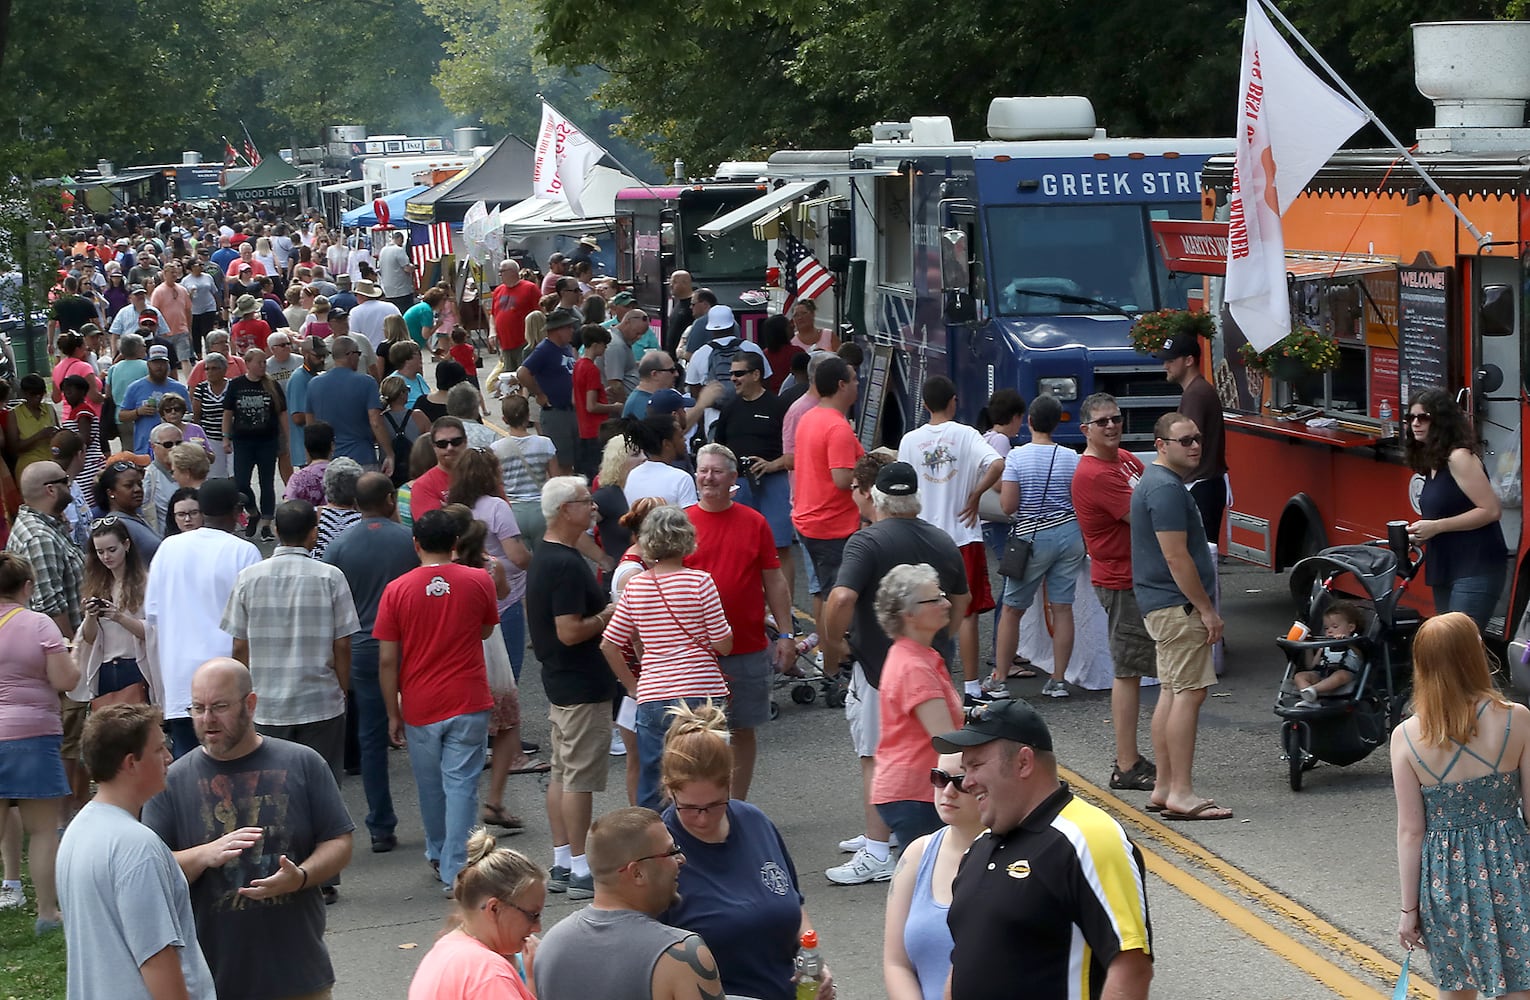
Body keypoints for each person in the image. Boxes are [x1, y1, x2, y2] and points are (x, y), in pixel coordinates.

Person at [143, 659, 355, 991]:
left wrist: (300, 877)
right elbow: (153, 871)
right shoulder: (170, 783)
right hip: (214, 980)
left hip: (299, 976)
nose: (207, 720)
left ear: (251, 704)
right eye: (198, 708)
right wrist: (204, 855)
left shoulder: (303, 763)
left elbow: (339, 841)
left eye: (220, 707)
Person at [933, 699, 1153, 1000]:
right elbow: (962, 962)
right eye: (964, 769)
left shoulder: (1088, 836)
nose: (967, 782)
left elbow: (1130, 966)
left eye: (976, 766)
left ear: (1023, 762)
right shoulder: (979, 849)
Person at [819, 460, 968, 886]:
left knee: (878, 755)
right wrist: (944, 633)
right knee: (918, 749)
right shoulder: (941, 539)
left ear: (875, 497)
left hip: (877, 667)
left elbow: (842, 595)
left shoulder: (865, 541)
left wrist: (834, 642)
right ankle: (885, 836)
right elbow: (962, 596)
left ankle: (877, 847)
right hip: (926, 662)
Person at [1392, 612, 1530, 997]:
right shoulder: (1516, 720)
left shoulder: (1406, 737)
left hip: (1444, 877)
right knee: (1520, 981)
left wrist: (1409, 911)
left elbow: (1410, 831)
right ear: (1476, 654)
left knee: (1456, 986)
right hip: (1512, 868)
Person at [656, 703, 831, 1000]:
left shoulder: (755, 822)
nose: (702, 817)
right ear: (669, 790)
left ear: (729, 784)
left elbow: (794, 905)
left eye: (714, 804)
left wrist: (812, 960)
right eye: (688, 807)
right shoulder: (657, 851)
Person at [376, 509, 500, 892]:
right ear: (456, 544)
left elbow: (387, 658)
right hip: (467, 695)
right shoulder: (480, 580)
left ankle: (438, 851)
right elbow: (484, 630)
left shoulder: (397, 589)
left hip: (420, 701)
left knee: (430, 785)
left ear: (416, 544)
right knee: (462, 783)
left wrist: (392, 712)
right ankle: (456, 865)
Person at [56, 705, 217, 999]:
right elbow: (156, 958)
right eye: (159, 750)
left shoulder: (76, 833)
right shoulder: (138, 847)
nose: (169, 757)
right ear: (131, 763)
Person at [601, 505, 733, 811]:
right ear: (686, 538)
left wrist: (633, 686)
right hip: (702, 693)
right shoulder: (701, 582)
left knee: (655, 778)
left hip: (654, 693)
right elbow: (722, 644)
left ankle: (657, 845)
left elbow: (609, 644)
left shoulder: (636, 586)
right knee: (707, 773)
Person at [1132, 412, 1230, 821]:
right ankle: (1181, 793)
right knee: (1189, 694)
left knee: (1173, 692)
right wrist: (1207, 610)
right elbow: (1176, 556)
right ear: (1161, 446)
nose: (1194, 446)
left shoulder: (1159, 484)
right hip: (1178, 607)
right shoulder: (1166, 489)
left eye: (1197, 438)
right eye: (1184, 440)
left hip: (1165, 605)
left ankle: (1164, 787)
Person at [526, 476, 621, 899]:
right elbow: (569, 631)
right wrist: (610, 614)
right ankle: (581, 866)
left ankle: (564, 858)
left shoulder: (546, 555)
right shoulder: (564, 564)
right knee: (578, 777)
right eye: (586, 502)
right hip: (580, 682)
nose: (594, 508)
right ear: (566, 510)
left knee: (562, 774)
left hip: (560, 682)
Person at [684, 444, 796, 798]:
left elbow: (774, 581)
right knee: (698, 734)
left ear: (733, 479)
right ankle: (703, 803)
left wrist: (786, 633)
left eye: (717, 471)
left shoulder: (754, 523)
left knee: (742, 730)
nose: (708, 478)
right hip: (696, 652)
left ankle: (736, 804)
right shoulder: (681, 523)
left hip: (746, 646)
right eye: (703, 470)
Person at [222, 499, 360, 779]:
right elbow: (343, 644)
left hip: (266, 704)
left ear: (275, 528)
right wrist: (343, 690)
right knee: (323, 785)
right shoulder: (331, 577)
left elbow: (239, 644)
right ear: (314, 532)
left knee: (272, 787)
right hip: (320, 701)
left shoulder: (248, 578)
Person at [534, 806, 727, 1000]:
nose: (681, 859)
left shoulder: (550, 946)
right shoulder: (681, 954)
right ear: (637, 873)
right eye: (670, 852)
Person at [323, 472, 419, 854]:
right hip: (411, 647)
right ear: (391, 500)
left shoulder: (340, 546)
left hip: (364, 650)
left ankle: (381, 825)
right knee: (427, 734)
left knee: (371, 739)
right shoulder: (408, 541)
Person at [1071, 392, 1157, 792]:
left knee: (1138, 668)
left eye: (1116, 419)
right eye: (1102, 421)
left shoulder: (1124, 461)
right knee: (1127, 670)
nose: (1111, 426)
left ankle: (1134, 758)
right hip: (1121, 580)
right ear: (1085, 429)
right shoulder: (1094, 474)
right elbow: (1146, 513)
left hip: (1138, 576)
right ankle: (1126, 763)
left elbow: (1153, 492)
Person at [897, 376, 1003, 701]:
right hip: (962, 535)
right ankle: (971, 687)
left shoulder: (910, 440)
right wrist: (976, 494)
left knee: (922, 611)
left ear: (925, 404)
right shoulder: (967, 434)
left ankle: (925, 684)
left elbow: (903, 485)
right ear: (953, 401)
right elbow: (997, 463)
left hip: (923, 538)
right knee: (966, 613)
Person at [145, 479, 262, 758]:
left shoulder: (168, 549)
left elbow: (153, 615)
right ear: (236, 511)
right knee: (234, 759)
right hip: (228, 677)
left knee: (189, 766)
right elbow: (255, 622)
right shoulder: (244, 551)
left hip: (180, 678)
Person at [0, 552, 80, 934]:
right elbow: (66, 681)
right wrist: (74, 654)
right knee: (43, 829)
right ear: (27, 587)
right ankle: (47, 913)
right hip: (33, 732)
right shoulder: (39, 625)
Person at [995, 394, 1085, 699]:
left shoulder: (1017, 457)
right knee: (1062, 608)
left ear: (1030, 421)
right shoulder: (1071, 457)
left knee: (1011, 610)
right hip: (1070, 535)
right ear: (1057, 422)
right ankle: (1059, 680)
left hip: (1033, 537)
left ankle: (1000, 679)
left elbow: (1008, 505)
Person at [870, 563, 963, 847]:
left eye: (942, 595)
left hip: (913, 789)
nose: (946, 603)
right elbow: (947, 742)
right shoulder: (914, 667)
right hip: (918, 792)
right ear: (908, 614)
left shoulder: (918, 655)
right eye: (934, 599)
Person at [882, 751, 985, 1000]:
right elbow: (896, 963)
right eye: (939, 778)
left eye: (960, 781)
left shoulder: (1022, 858)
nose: (948, 791)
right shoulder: (918, 854)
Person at [1404, 388, 1508, 630]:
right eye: (1411, 418)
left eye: (1424, 417)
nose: (1416, 424)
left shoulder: (1458, 457)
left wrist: (1436, 527)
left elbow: (1491, 510)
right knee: (1449, 647)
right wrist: (1420, 535)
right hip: (1446, 566)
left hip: (1476, 565)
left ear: (1441, 421)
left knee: (1458, 644)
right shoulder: (1432, 460)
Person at [407, 828, 544, 1000]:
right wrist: (532, 981)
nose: (538, 927)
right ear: (494, 908)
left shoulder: (445, 949)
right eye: (532, 915)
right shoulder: (489, 974)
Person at [791, 355, 864, 637]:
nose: (858, 384)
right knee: (843, 596)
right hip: (833, 525)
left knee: (826, 591)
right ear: (841, 385)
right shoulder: (837, 427)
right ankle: (838, 657)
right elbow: (842, 478)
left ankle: (829, 652)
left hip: (810, 519)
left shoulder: (810, 417)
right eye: (854, 379)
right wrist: (871, 467)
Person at [712, 352, 793, 582]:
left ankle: (785, 611)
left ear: (756, 374)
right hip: (740, 483)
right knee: (740, 547)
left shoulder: (778, 406)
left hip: (774, 482)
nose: (733, 379)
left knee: (780, 547)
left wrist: (771, 465)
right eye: (731, 374)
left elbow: (792, 450)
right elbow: (720, 448)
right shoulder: (730, 408)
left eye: (739, 373)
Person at [1157, 333, 1227, 545]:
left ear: (1189, 361)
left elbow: (1185, 442)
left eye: (1170, 360)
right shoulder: (1198, 390)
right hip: (1206, 484)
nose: (1165, 366)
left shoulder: (1195, 394)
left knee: (1199, 558)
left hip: (1201, 486)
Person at [74, 518, 152, 706]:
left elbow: (150, 632)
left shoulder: (146, 582)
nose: (106, 557)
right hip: (105, 667)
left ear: (126, 545)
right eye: (100, 552)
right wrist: (91, 616)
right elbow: (89, 638)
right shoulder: (97, 585)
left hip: (135, 665)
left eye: (111, 550)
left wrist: (118, 617)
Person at [223, 347, 288, 541]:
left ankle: (267, 523)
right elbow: (228, 413)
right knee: (241, 482)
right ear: (248, 364)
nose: (262, 366)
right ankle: (253, 511)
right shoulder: (236, 385)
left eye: (264, 362)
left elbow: (282, 413)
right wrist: (226, 437)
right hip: (243, 441)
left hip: (267, 440)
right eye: (259, 362)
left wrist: (288, 438)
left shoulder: (271, 385)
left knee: (266, 482)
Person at [307, 335, 395, 476]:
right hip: (361, 457)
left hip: (329, 461)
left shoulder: (314, 384)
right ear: (350, 355)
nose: (359, 358)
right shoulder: (367, 382)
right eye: (358, 354)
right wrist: (389, 454)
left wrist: (311, 458)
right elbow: (375, 422)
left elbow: (310, 426)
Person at [516, 307, 582, 476]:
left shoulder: (565, 348)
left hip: (571, 410)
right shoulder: (544, 349)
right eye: (568, 327)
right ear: (557, 330)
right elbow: (523, 373)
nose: (572, 330)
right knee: (560, 463)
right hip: (556, 412)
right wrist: (539, 393)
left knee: (571, 461)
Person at [120, 344, 190, 455]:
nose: (159, 366)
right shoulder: (135, 387)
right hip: (145, 449)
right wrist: (138, 412)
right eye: (155, 362)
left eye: (162, 363)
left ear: (168, 364)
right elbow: (122, 416)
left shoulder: (179, 388)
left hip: (175, 449)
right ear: (148, 364)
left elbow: (189, 416)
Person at [574, 325, 622, 477]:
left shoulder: (578, 365)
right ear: (596, 345)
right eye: (604, 345)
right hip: (596, 429)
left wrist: (601, 392)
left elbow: (576, 399)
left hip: (583, 428)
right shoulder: (592, 369)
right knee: (599, 473)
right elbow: (592, 406)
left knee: (588, 472)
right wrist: (614, 407)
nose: (606, 349)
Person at [1293, 601, 1363, 705]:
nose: (1329, 631)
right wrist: (1308, 647)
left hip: (1344, 676)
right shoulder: (1325, 645)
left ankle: (1312, 691)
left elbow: (1362, 657)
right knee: (1299, 676)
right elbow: (1311, 666)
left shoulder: (1355, 642)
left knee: (1341, 675)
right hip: (1322, 675)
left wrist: (1348, 643)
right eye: (1326, 628)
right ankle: (1309, 698)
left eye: (1335, 627)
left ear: (1350, 628)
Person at [622, 414, 699, 507]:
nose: (685, 439)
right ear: (666, 444)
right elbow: (689, 518)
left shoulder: (633, 474)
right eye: (680, 436)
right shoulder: (682, 479)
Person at [492, 259, 541, 375]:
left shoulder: (530, 288)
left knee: (525, 376)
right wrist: (492, 332)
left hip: (524, 343)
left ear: (512, 271)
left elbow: (540, 314)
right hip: (505, 344)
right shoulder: (498, 290)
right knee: (509, 379)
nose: (500, 274)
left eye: (502, 271)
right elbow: (493, 315)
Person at [8, 374, 60, 476]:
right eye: (33, 394)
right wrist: (39, 436)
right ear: (24, 393)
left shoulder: (49, 409)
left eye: (41, 394)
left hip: (51, 463)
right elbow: (13, 448)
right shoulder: (15, 414)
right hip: (29, 468)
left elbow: (59, 438)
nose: (38, 397)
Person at [191, 351, 233, 477]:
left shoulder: (233, 386)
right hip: (211, 439)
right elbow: (197, 416)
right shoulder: (201, 389)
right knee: (216, 476)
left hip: (233, 439)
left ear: (224, 369)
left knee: (234, 475)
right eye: (207, 369)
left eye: (214, 368)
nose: (210, 372)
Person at [284, 420, 333, 506]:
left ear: (306, 448)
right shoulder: (342, 473)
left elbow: (289, 506)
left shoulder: (298, 478)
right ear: (332, 446)